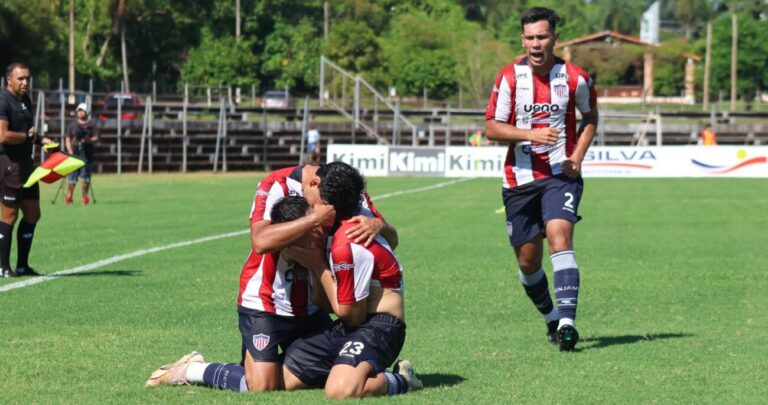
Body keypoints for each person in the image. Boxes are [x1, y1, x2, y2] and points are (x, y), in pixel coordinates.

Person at [485, 7, 598, 351]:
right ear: (523, 40)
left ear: (554, 39)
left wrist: (576, 158)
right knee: (527, 262)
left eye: (542, 37)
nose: (536, 44)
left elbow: (590, 117)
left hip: (559, 176)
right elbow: (491, 128)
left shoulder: (575, 78)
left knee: (560, 238)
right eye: (530, 38)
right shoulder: (508, 78)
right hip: (518, 180)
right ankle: (551, 317)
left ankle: (567, 323)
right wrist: (530, 135)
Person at [146, 196, 333, 392]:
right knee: (261, 386)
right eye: (308, 228)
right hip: (264, 308)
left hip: (308, 310)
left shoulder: (321, 236)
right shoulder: (272, 239)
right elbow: (261, 242)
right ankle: (192, 369)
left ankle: (261, 367)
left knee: (336, 363)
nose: (316, 233)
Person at [0, 63, 53, 278]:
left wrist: (42, 140)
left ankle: (23, 266)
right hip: (8, 164)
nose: (25, 83)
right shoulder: (3, 101)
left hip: (27, 164)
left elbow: (27, 132)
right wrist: (29, 138)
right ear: (8, 80)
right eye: (21, 79)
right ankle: (3, 267)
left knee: (33, 213)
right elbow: (3, 136)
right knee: (10, 214)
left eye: (28, 78)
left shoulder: (25, 100)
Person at [65, 102, 99, 205]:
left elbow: (96, 138)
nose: (80, 113)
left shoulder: (92, 124)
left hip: (87, 156)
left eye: (82, 110)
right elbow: (68, 139)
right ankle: (69, 197)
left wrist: (87, 140)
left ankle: (85, 197)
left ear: (87, 112)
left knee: (85, 178)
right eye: (78, 111)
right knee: (72, 178)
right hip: (74, 156)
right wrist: (70, 151)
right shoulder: (72, 125)